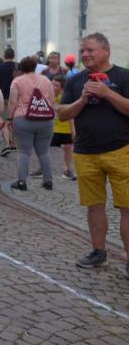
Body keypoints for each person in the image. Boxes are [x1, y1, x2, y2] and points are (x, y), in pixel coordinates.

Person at [58, 33, 129, 272]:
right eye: (82, 51)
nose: (85, 54)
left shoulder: (123, 76)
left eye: (90, 50)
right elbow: (62, 114)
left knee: (127, 208)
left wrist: (107, 93)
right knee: (94, 206)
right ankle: (99, 253)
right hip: (85, 152)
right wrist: (82, 100)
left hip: (122, 150)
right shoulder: (75, 80)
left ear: (106, 50)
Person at [7, 56, 55, 191]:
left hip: (23, 118)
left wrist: (10, 118)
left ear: (21, 68)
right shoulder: (46, 80)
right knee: (44, 152)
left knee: (23, 152)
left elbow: (12, 102)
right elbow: (51, 100)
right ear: (35, 66)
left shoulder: (17, 81)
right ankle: (48, 181)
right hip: (45, 119)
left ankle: (22, 182)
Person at [48, 75, 76, 181]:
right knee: (44, 149)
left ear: (62, 87)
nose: (52, 86)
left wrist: (73, 130)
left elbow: (71, 115)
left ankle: (67, 170)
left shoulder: (65, 97)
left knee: (68, 148)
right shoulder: (47, 95)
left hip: (65, 128)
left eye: (56, 85)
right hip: (51, 128)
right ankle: (42, 168)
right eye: (52, 83)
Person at [0, 47, 18, 156]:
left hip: (4, 97)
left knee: (4, 122)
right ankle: (15, 144)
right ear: (13, 55)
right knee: (14, 121)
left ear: (4, 55)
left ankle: (7, 144)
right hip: (17, 98)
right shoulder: (18, 66)